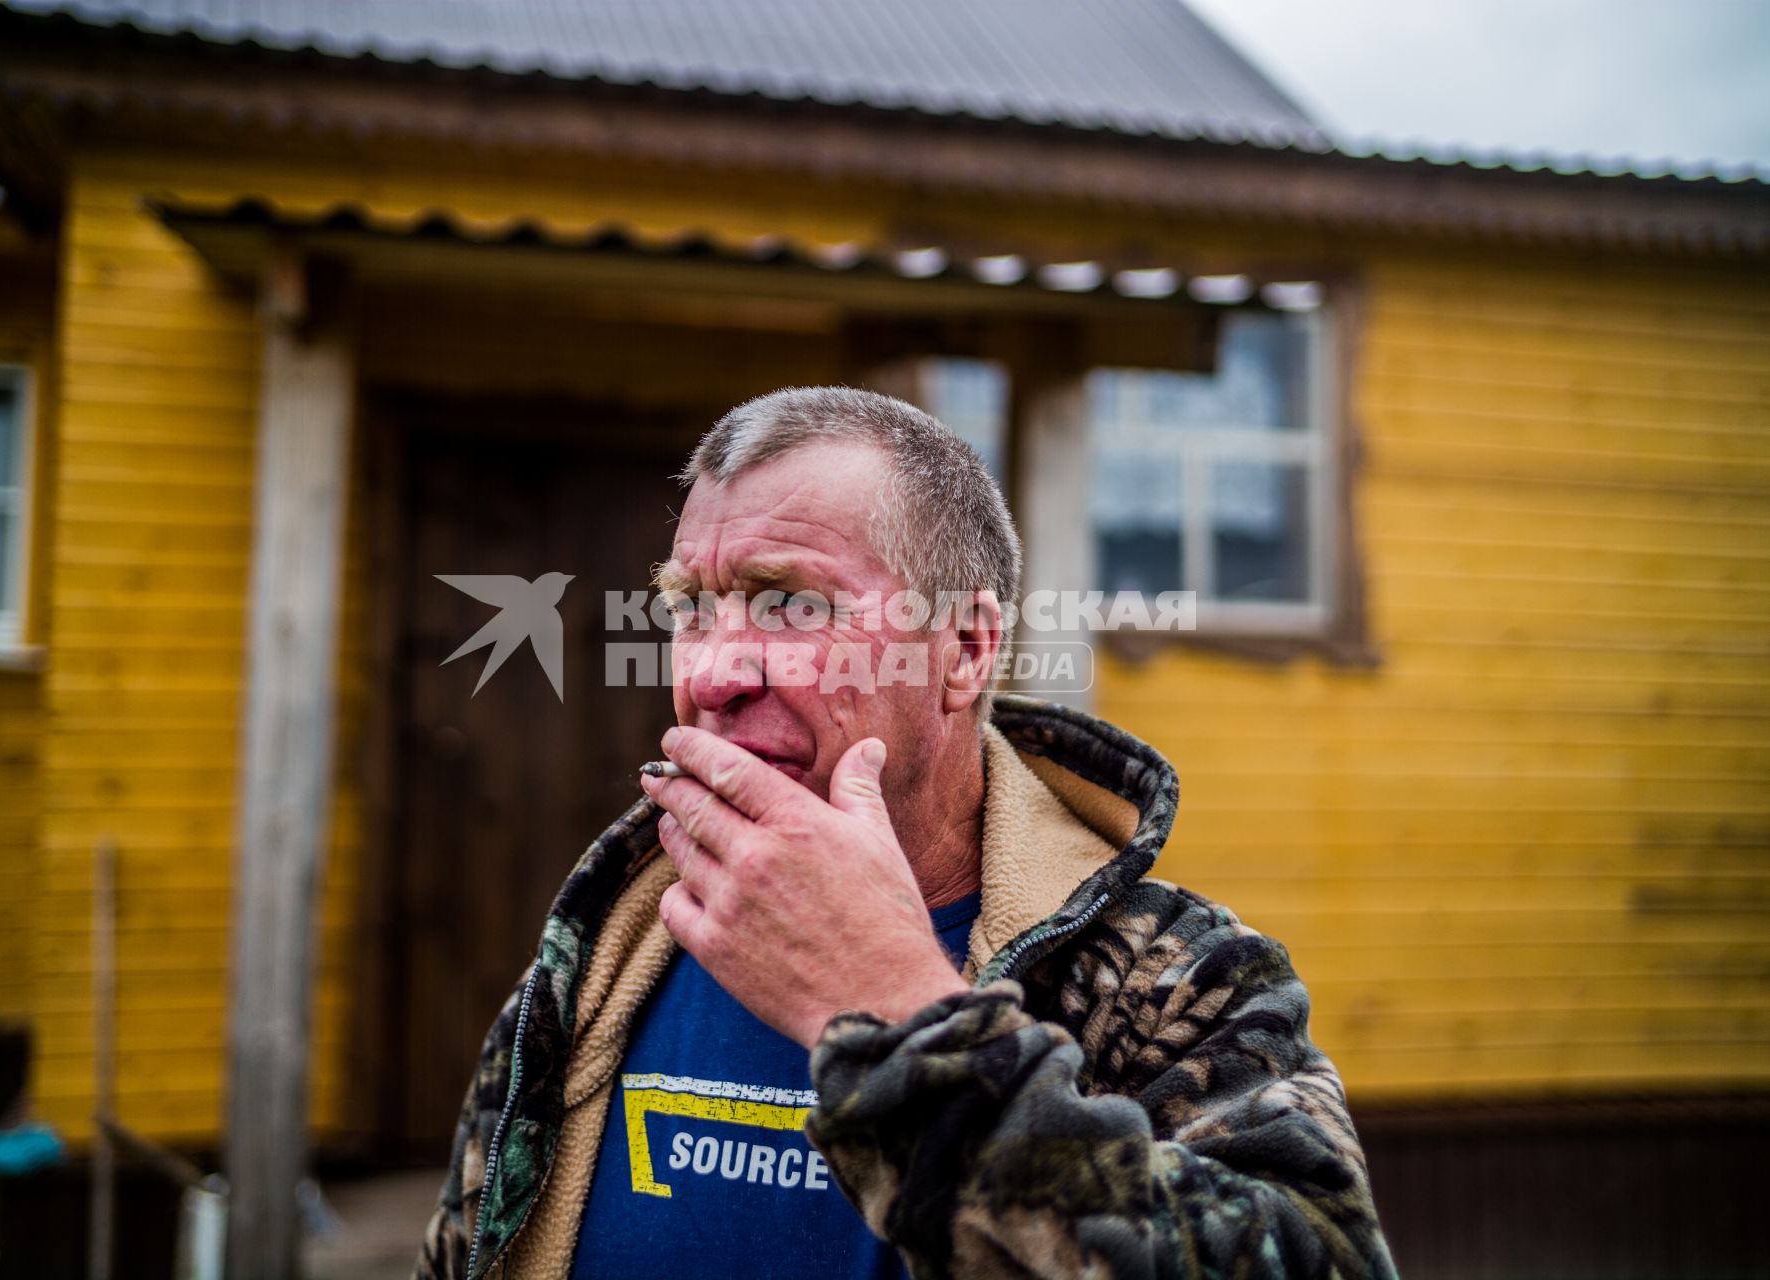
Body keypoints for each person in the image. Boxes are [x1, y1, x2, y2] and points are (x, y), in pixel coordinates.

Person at [415, 387, 1395, 1279]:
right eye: (691, 606)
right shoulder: (607, 942)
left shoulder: (1172, 979)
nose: (711, 672)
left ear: (964, 650)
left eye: (789, 601)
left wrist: (894, 1010)